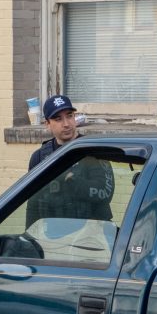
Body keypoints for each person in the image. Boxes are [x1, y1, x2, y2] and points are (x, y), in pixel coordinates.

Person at [26, 95, 115, 225]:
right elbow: (32, 203)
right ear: (48, 124)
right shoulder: (39, 158)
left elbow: (105, 194)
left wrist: (73, 181)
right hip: (53, 233)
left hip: (91, 234)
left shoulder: (93, 151)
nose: (66, 124)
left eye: (69, 116)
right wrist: (29, 236)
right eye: (58, 119)